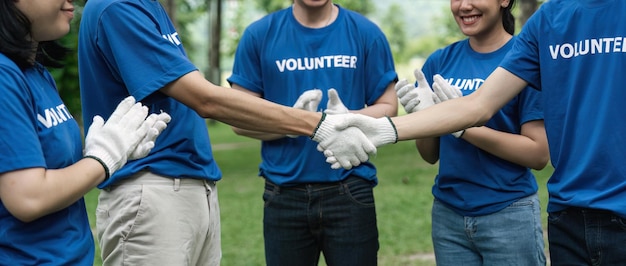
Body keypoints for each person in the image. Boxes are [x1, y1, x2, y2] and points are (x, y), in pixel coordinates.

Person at [320, 0, 626, 264]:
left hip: (557, 210)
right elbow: (479, 105)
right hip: (567, 213)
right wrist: (382, 128)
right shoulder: (547, 21)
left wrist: (459, 130)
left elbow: (534, 150)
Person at [77, 0, 381, 264]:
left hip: (188, 185)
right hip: (152, 188)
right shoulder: (118, 7)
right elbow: (205, 99)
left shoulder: (148, 7)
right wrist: (313, 124)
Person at [226, 0, 398, 264]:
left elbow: (388, 107)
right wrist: (291, 124)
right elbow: (239, 120)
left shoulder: (366, 33)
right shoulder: (259, 35)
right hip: (284, 193)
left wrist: (347, 119)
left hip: (350, 187)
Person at [0, 0, 170, 264]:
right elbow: (28, 198)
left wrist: (109, 150)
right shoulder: (3, 77)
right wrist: (104, 158)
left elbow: (46, 166)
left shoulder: (34, 72)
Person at [394, 0, 548, 264]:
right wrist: (422, 116)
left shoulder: (525, 60)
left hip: (509, 214)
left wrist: (463, 127)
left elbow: (537, 153)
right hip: (448, 216)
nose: (464, 6)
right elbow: (430, 155)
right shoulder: (441, 61)